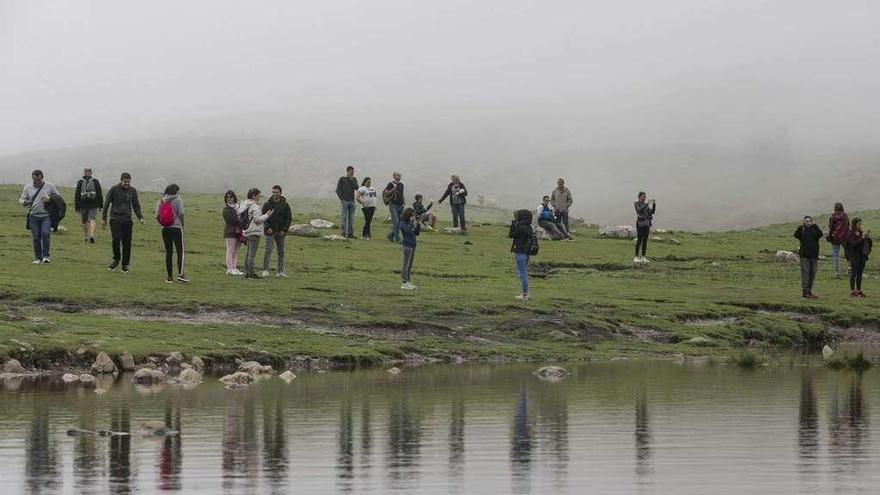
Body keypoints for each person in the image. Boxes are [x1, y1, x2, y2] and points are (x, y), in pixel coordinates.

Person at [102, 172, 144, 273]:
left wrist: (140, 217)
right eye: (125, 181)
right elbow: (106, 203)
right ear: (121, 180)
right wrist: (104, 218)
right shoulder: (114, 189)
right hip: (115, 219)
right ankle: (116, 259)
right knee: (116, 240)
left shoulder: (133, 191)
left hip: (127, 220)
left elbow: (136, 205)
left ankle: (125, 264)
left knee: (127, 243)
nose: (127, 183)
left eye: (128, 182)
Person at [18, 169, 60, 264]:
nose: (37, 182)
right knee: (36, 237)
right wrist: (24, 202)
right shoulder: (28, 187)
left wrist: (50, 199)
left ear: (42, 178)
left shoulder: (50, 186)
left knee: (45, 234)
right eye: (35, 180)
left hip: (46, 215)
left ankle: (46, 256)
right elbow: (21, 199)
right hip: (33, 216)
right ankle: (38, 258)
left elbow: (58, 197)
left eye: (38, 180)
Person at [155, 184, 188, 283]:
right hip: (176, 228)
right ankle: (180, 274)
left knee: (168, 253)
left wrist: (162, 223)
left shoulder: (161, 201)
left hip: (165, 229)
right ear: (176, 191)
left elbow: (156, 215)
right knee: (180, 251)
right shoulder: (178, 199)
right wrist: (181, 223)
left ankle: (169, 277)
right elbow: (181, 213)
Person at [241, 188, 274, 279]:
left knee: (248, 253)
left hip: (247, 231)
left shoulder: (244, 204)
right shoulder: (254, 206)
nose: (259, 197)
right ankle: (251, 272)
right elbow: (257, 219)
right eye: (258, 195)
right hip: (254, 231)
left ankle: (247, 272)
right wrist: (267, 215)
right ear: (254, 196)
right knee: (252, 254)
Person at [261, 185, 292, 278]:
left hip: (280, 232)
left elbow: (288, 218)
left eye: (276, 192)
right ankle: (265, 270)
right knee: (268, 250)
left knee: (281, 252)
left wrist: (284, 230)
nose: (275, 194)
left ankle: (280, 271)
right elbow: (263, 217)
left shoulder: (286, 205)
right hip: (270, 232)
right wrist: (267, 228)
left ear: (280, 193)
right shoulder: (267, 204)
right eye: (273, 192)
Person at [794, 216, 823, 299]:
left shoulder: (814, 230)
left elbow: (820, 234)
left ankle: (809, 291)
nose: (808, 222)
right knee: (805, 274)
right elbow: (796, 235)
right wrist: (800, 226)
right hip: (804, 256)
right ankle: (805, 292)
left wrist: (815, 225)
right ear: (803, 222)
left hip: (814, 256)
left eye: (809, 221)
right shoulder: (802, 231)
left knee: (812, 274)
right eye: (806, 221)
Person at [509, 209, 535, 301]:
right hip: (527, 252)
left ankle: (524, 294)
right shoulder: (529, 227)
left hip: (520, 251)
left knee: (522, 273)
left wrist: (513, 224)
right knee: (524, 272)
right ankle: (526, 292)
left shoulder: (520, 227)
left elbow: (512, 235)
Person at [74, 168, 103, 243]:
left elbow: (77, 194)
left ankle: (86, 236)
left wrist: (77, 206)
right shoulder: (95, 181)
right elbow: (99, 192)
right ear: (91, 173)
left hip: (83, 204)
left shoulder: (80, 182)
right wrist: (100, 204)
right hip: (94, 204)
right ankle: (92, 234)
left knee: (85, 221)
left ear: (84, 173)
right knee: (92, 219)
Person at [845, 218, 872, 298]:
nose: (860, 225)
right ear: (854, 224)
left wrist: (867, 237)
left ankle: (859, 290)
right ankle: (853, 291)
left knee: (860, 273)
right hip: (854, 256)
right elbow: (853, 244)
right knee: (854, 273)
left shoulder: (860, 232)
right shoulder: (850, 233)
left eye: (861, 223)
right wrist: (862, 238)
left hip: (862, 255)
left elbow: (867, 243)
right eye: (858, 224)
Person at [222, 190, 244, 275]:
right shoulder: (226, 210)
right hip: (230, 232)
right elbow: (233, 220)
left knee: (236, 251)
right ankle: (229, 268)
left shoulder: (238, 208)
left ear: (234, 197)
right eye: (227, 197)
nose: (229, 199)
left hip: (239, 232)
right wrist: (240, 220)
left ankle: (234, 267)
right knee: (230, 250)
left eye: (231, 197)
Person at [399, 207, 421, 290]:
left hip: (413, 245)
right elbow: (409, 231)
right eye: (412, 215)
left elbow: (417, 233)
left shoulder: (410, 223)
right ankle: (404, 282)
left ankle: (408, 281)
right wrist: (414, 223)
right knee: (406, 265)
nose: (413, 217)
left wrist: (418, 224)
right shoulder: (403, 223)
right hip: (407, 246)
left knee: (409, 265)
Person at [827, 203, 850, 278]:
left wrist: (829, 237)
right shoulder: (845, 216)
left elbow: (831, 228)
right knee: (848, 253)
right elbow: (848, 226)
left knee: (836, 255)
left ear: (835, 208)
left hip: (835, 238)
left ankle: (837, 272)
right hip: (844, 238)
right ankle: (850, 268)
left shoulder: (832, 217)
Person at [336, 166, 358, 239]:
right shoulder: (342, 179)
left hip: (352, 201)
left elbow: (357, 188)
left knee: (351, 218)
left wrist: (352, 180)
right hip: (345, 201)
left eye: (353, 172)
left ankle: (350, 234)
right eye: (352, 171)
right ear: (348, 171)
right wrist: (342, 199)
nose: (353, 173)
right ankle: (343, 233)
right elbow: (338, 190)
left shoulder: (354, 179)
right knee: (344, 218)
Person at [634, 192, 656, 263]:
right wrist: (647, 204)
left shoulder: (646, 205)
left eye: (645, 197)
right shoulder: (636, 203)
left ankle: (643, 257)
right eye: (643, 197)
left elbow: (652, 212)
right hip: (640, 224)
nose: (644, 198)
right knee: (639, 240)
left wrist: (654, 204)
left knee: (645, 241)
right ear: (639, 197)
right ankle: (636, 257)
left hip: (647, 224)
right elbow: (639, 210)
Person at [384, 172, 405, 243]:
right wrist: (393, 189)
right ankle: (398, 239)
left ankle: (390, 235)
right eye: (398, 175)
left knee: (400, 223)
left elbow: (402, 194)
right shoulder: (391, 184)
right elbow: (386, 193)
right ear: (394, 176)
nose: (399, 176)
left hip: (400, 206)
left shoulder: (401, 185)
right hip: (393, 205)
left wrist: (404, 202)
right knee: (396, 222)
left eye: (400, 175)